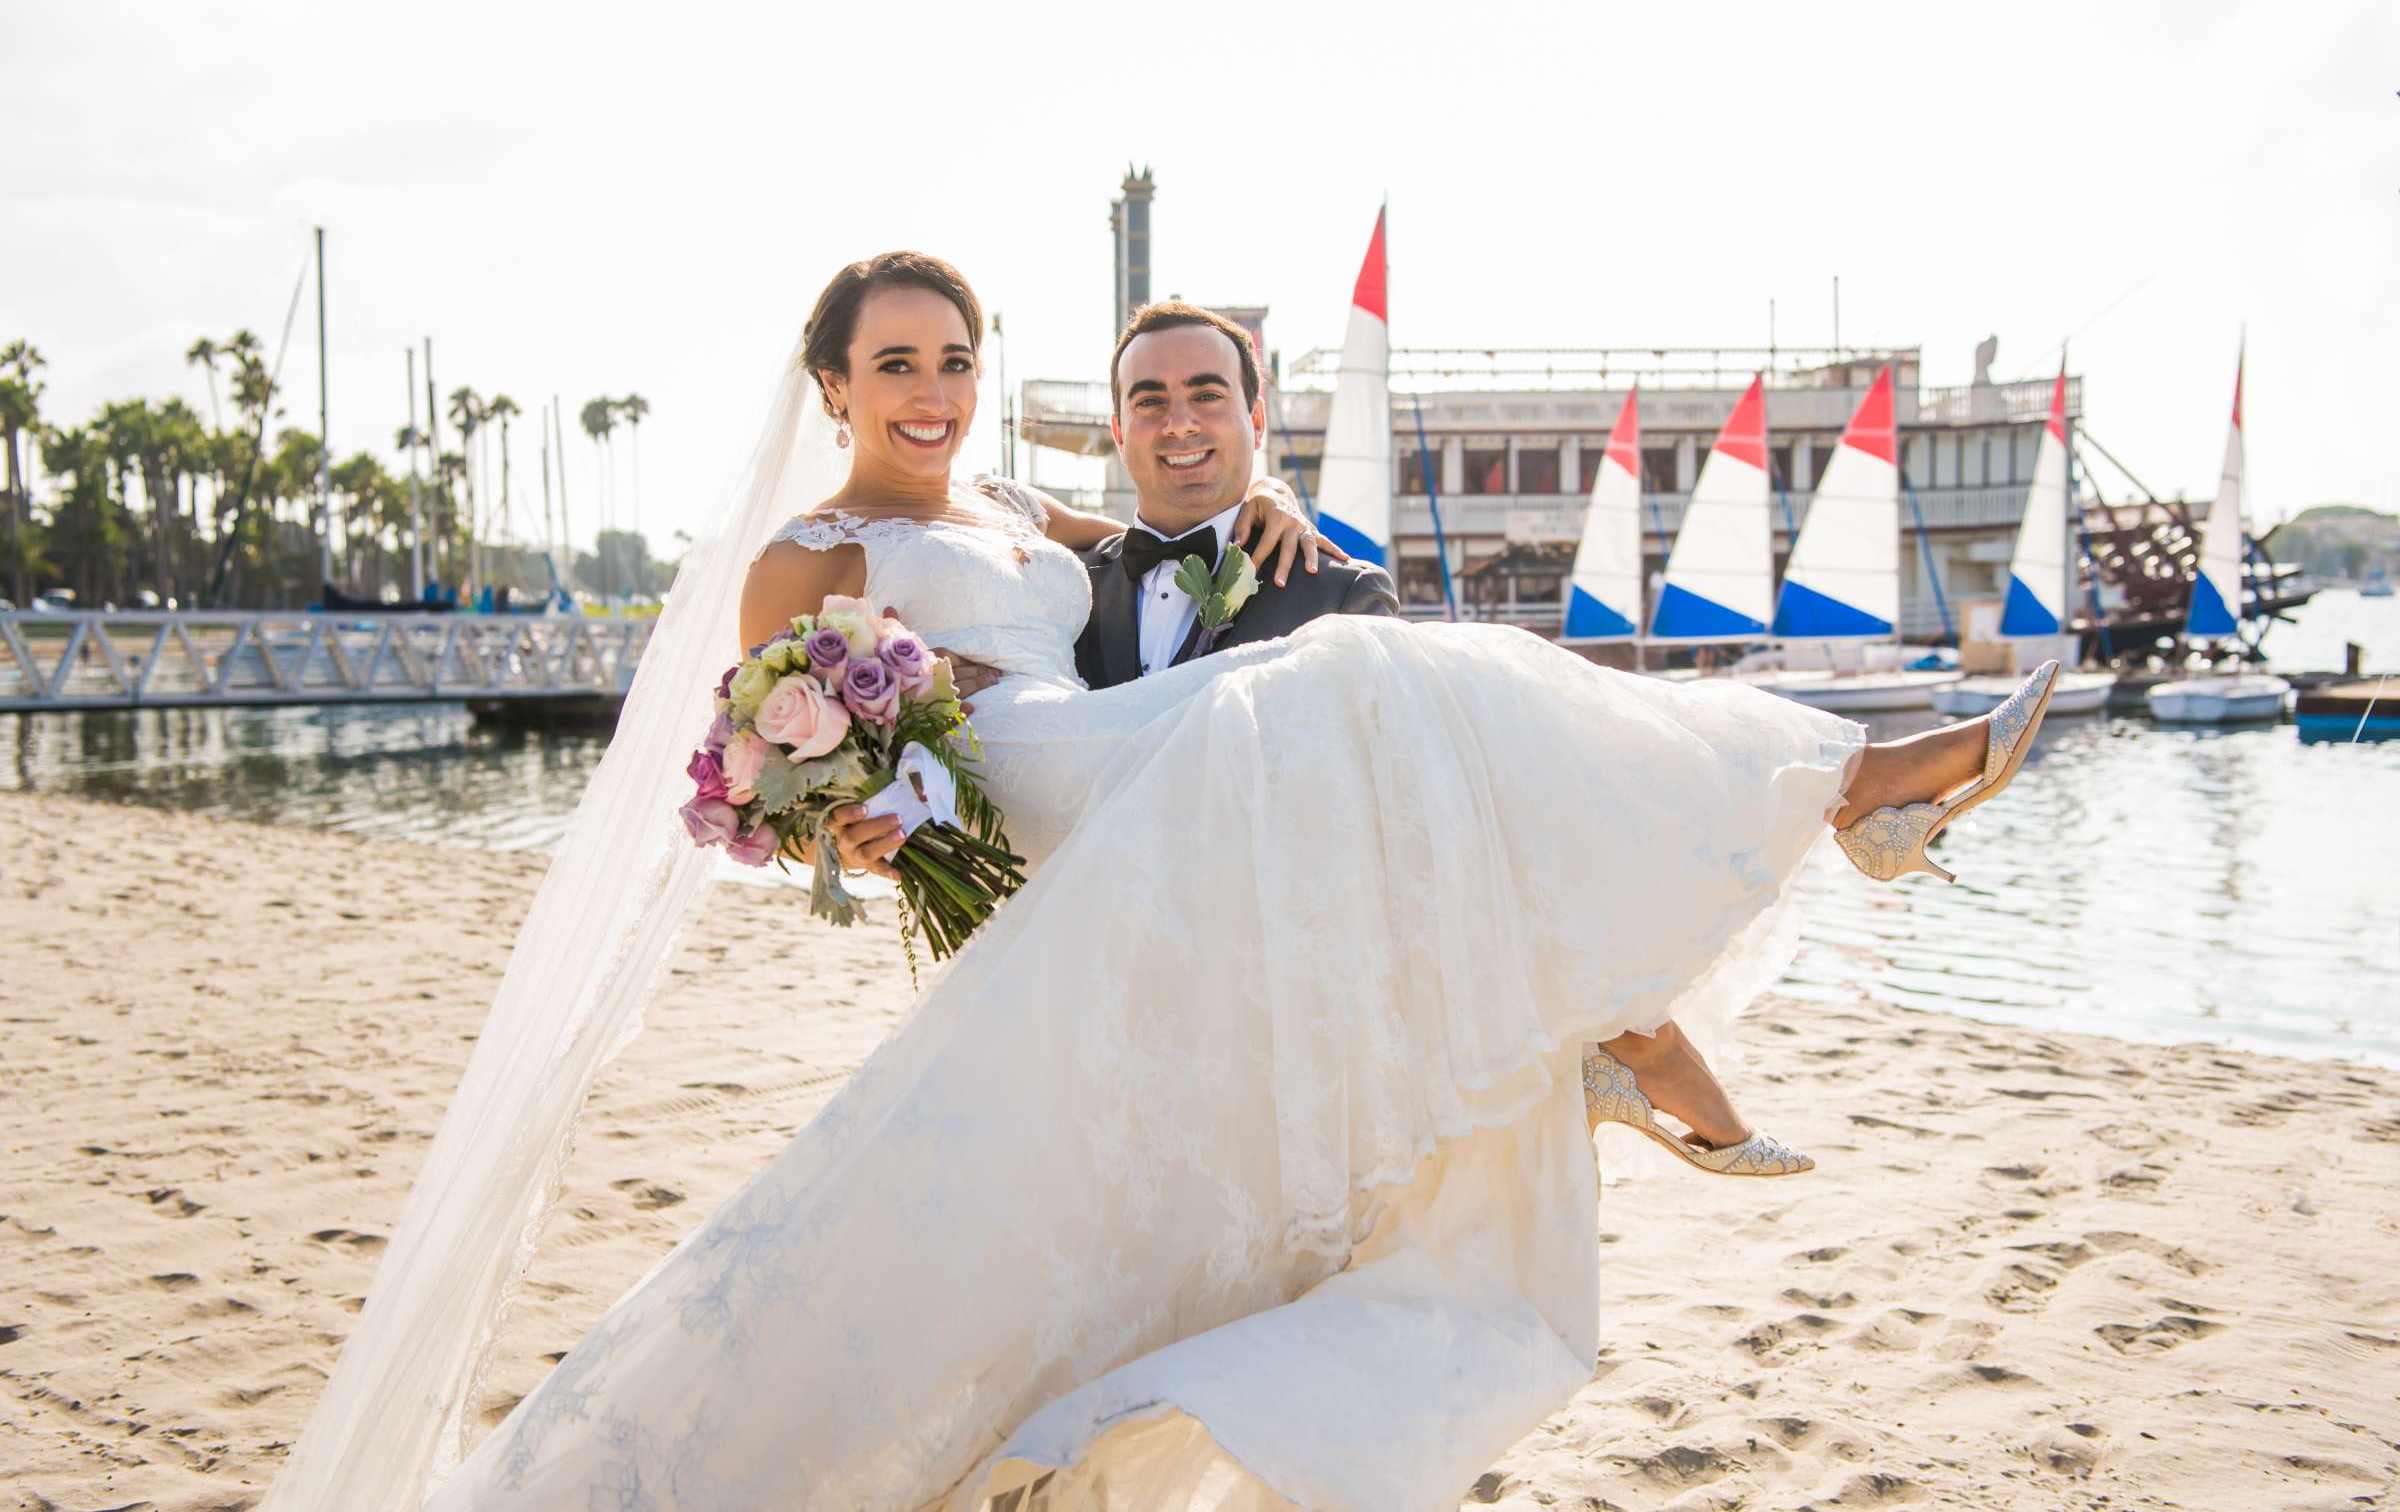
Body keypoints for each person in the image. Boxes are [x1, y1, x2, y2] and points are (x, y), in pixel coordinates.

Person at [272, 252, 2058, 1512]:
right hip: (1061, 785)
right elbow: (776, 769)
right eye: (893, 363)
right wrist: (857, 824)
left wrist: (1277, 512)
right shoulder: (809, 552)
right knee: (1373, 685)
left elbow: (1153, 550)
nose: (930, 390)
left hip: (1140, 788)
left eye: (954, 358)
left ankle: (1723, 903)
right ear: (832, 385)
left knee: (1382, 689)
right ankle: (1834, 798)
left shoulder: (1026, 525)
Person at [830, 300, 1812, 1160]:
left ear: (1256, 417)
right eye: (1150, 400)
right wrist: (888, 827)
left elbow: (1422, 816)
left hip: (1299, 1035)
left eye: (1209, 393)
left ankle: (1653, 1000)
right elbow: (1013, 771)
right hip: (1100, 1014)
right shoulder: (1050, 602)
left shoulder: (1339, 592)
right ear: (1118, 430)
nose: (1180, 422)